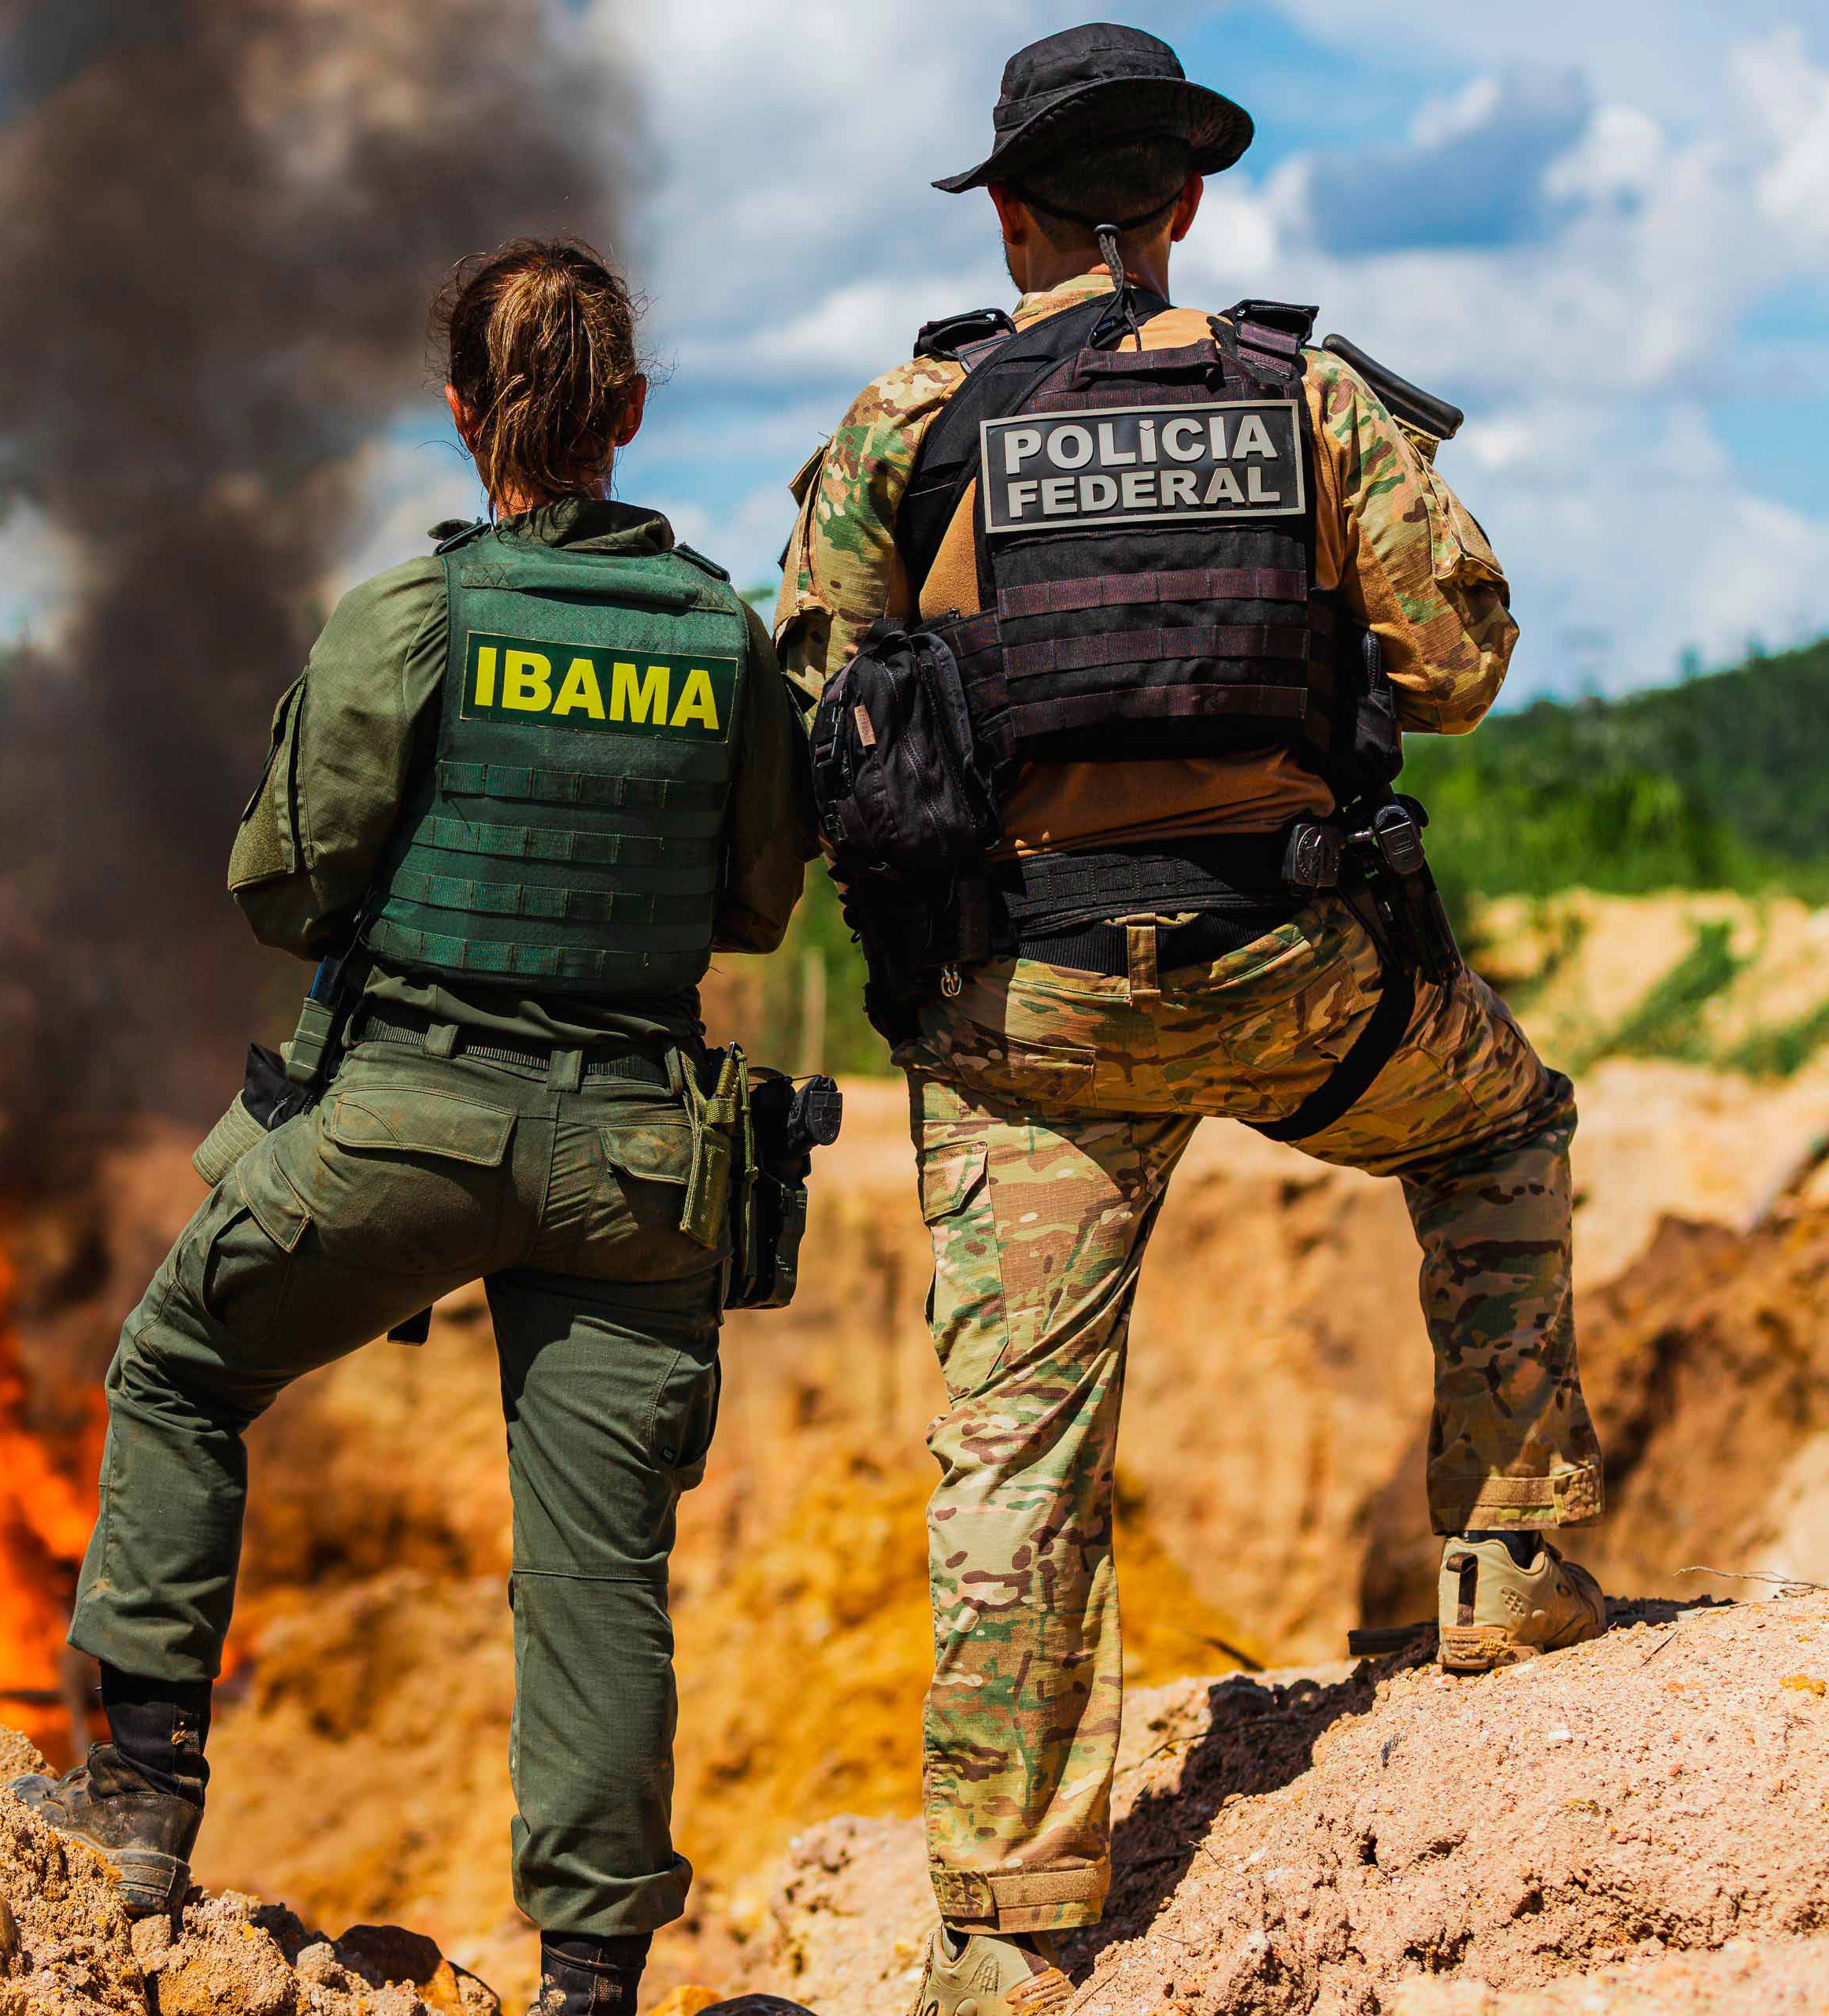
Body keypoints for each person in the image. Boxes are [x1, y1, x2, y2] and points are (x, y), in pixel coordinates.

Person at [776, 25, 1608, 2014]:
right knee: (1495, 1130)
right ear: (1187, 206)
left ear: (1006, 210)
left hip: (1030, 1021)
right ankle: (1509, 1574)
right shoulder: (1308, 392)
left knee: (1018, 1445)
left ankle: (1009, 1926)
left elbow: (820, 684)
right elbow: (1466, 658)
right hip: (1293, 978)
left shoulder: (916, 414)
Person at [17, 237, 816, 2016]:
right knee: (598, 1567)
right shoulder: (723, 635)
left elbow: (283, 891)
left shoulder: (413, 618)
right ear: (624, 412)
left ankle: (137, 1818)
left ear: (463, 416)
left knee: (172, 1374)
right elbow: (759, 906)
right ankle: (592, 1984)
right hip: (635, 1163)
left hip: (398, 1133)